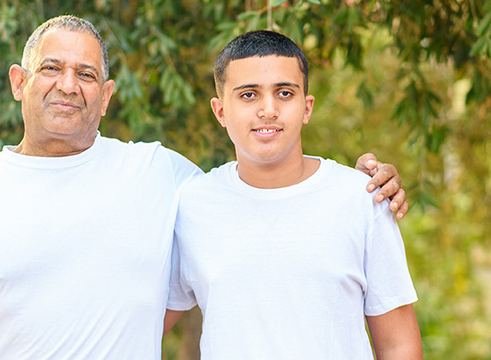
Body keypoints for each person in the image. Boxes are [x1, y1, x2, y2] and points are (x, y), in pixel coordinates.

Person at [0, 16, 407, 360]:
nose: (69, 85)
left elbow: (263, 189)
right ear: (18, 82)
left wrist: (372, 180)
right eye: (51, 68)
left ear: (107, 94)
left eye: (86, 74)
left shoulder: (163, 176)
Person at [163, 30, 422, 359]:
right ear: (220, 111)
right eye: (248, 95)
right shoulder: (191, 205)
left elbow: (399, 345)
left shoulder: (362, 198)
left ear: (307, 107)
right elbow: (140, 323)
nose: (268, 109)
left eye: (284, 92)